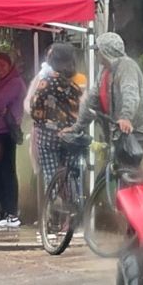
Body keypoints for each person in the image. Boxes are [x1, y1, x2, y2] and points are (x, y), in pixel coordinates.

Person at [66, 32, 143, 164]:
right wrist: (77, 127)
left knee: (130, 174)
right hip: (119, 134)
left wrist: (126, 117)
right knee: (114, 172)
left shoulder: (127, 66)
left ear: (105, 51)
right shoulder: (104, 71)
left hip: (137, 133)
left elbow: (130, 94)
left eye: (98, 51)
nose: (97, 55)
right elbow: (91, 101)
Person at [30, 43, 84, 187]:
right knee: (72, 173)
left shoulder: (46, 82)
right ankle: (76, 200)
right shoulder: (74, 85)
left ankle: (55, 203)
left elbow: (34, 106)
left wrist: (38, 120)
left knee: (52, 174)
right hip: (71, 134)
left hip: (49, 134)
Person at [0, 53, 27, 228]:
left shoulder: (15, 83)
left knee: (7, 172)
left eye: (2, 65)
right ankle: (3, 209)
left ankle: (12, 212)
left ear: (9, 65)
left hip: (7, 132)